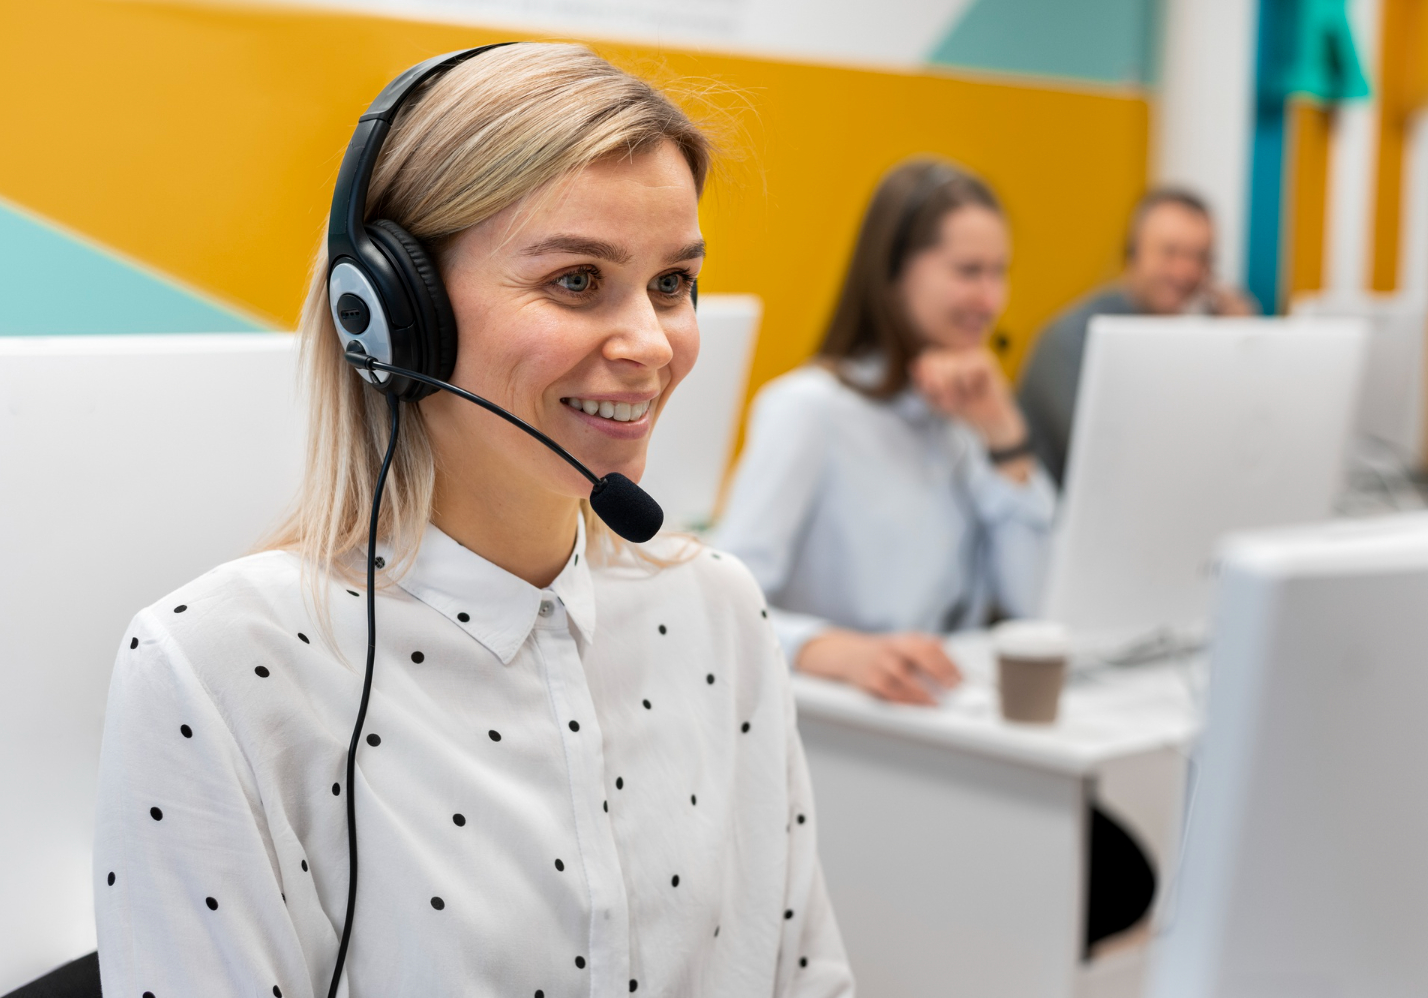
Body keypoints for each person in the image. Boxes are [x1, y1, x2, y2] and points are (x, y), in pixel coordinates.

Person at [93, 44, 853, 997]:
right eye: (578, 280)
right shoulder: (218, 668)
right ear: (393, 317)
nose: (653, 344)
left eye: (672, 283)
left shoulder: (716, 609)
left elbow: (801, 973)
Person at [715, 159, 1054, 706]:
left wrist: (1004, 434)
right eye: (969, 271)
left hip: (948, 708)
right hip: (849, 724)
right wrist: (840, 652)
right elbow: (724, 606)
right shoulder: (809, 410)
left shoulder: (967, 420)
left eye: (999, 272)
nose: (990, 300)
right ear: (894, 272)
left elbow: (1036, 605)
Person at [1017, 187, 1255, 485]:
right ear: (1132, 253)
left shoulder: (1183, 337)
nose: (1187, 271)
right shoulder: (1070, 339)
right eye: (1171, 252)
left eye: (1202, 258)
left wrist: (1241, 349)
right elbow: (1120, 458)